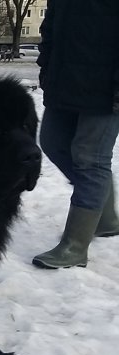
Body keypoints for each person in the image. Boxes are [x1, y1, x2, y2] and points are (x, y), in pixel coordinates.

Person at [32, 0, 119, 269]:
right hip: (65, 79)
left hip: (108, 86)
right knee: (52, 141)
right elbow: (52, 26)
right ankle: (104, 219)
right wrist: (46, 65)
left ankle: (75, 245)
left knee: (90, 159)